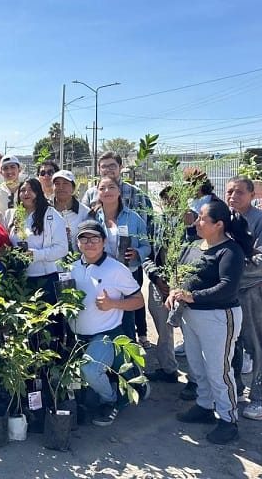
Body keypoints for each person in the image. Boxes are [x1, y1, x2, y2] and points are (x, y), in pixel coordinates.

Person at [167, 200, 253, 445]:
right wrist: (177, 291)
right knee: (197, 366)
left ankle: (228, 419)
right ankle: (204, 405)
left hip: (218, 317)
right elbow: (184, 275)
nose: (197, 222)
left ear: (219, 225)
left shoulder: (230, 251)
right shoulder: (196, 246)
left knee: (219, 370)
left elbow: (227, 288)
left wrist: (191, 296)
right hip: (192, 316)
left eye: (202, 219)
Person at [67, 220, 144, 427]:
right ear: (77, 242)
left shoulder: (116, 269)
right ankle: (113, 384)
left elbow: (138, 301)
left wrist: (113, 304)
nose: (89, 243)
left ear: (103, 242)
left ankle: (110, 401)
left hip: (106, 335)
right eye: (84, 238)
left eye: (95, 238)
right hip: (77, 337)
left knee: (90, 370)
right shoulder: (71, 268)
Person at [225, 176, 262, 420]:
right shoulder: (226, 219)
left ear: (252, 195)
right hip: (228, 292)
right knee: (231, 345)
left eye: (239, 192)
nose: (233, 197)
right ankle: (235, 389)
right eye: (229, 192)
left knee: (256, 345)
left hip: (251, 289)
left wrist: (229, 268)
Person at [88, 176, 151, 344]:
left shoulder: (134, 218)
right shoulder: (91, 218)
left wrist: (138, 253)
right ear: (97, 192)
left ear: (119, 191)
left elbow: (147, 246)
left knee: (127, 323)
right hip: (100, 277)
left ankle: (130, 366)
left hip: (125, 277)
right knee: (104, 320)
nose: (107, 191)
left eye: (111, 187)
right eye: (102, 188)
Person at [141, 186, 185, 385]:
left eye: (175, 198)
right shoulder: (156, 224)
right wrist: (157, 278)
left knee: (191, 332)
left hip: (186, 286)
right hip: (160, 285)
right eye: (167, 199)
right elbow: (147, 255)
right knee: (164, 329)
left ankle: (197, 380)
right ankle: (168, 368)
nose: (171, 203)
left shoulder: (194, 223)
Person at [6, 178, 68, 303]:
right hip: (20, 278)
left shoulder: (51, 215)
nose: (26, 193)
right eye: (23, 190)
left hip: (46, 278)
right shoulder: (12, 215)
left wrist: (36, 254)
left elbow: (62, 249)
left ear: (38, 193)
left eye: (31, 190)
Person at [50, 169, 90, 254]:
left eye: (65, 183)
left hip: (76, 263)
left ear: (73, 188)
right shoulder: (45, 210)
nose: (61, 187)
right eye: (57, 184)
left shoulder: (85, 212)